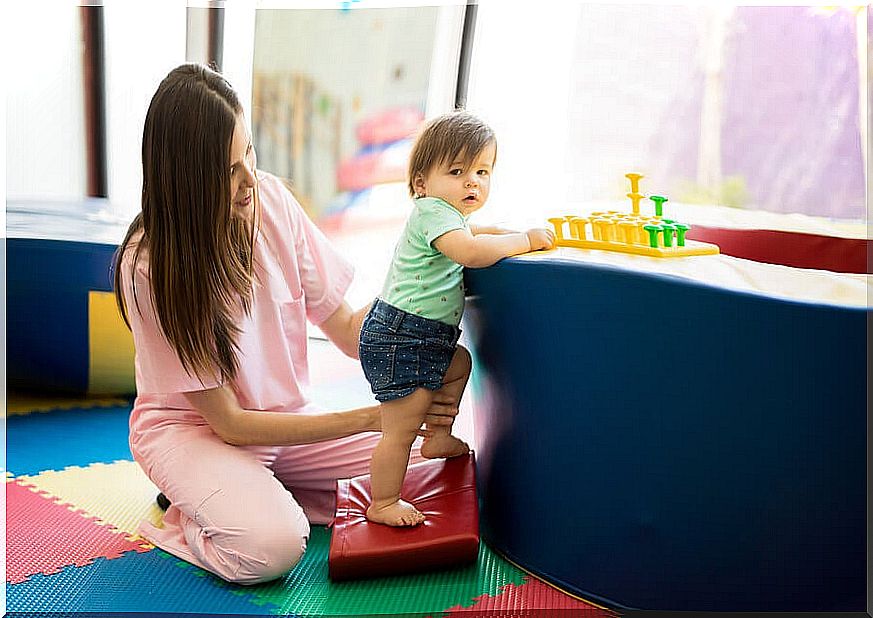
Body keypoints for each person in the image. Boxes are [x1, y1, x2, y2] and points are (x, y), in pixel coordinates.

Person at [112, 63, 457, 584]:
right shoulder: (150, 265)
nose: (248, 178)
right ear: (184, 181)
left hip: (285, 421)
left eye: (247, 152)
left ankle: (253, 488)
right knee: (271, 548)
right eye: (225, 170)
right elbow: (229, 424)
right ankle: (189, 512)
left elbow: (346, 329)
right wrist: (372, 419)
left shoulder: (272, 200)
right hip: (198, 432)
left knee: (432, 466)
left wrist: (417, 299)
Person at [359, 111, 556, 526]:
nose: (473, 181)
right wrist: (522, 241)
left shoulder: (451, 217)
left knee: (460, 364)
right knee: (400, 426)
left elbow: (475, 232)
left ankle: (438, 435)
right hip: (402, 336)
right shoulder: (432, 211)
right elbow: (469, 252)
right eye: (458, 170)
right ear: (421, 184)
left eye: (483, 171)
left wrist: (498, 230)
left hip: (423, 336)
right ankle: (384, 501)